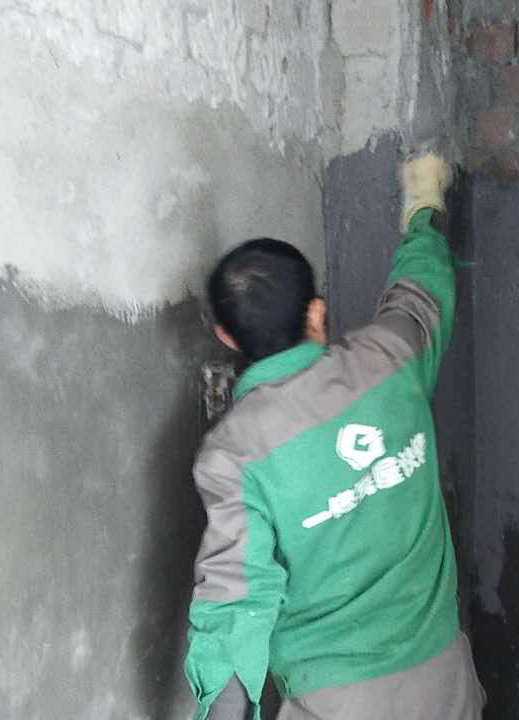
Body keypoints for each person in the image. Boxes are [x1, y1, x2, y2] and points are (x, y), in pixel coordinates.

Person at [183, 154, 484, 720]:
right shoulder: (390, 358)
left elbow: (234, 601)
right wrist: (422, 212)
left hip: (336, 704)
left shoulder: (235, 456)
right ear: (317, 314)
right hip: (445, 684)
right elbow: (420, 292)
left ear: (227, 336)